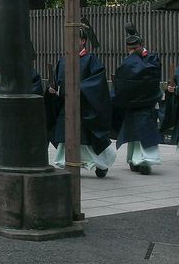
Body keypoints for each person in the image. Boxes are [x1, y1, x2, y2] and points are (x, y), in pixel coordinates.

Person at [45, 25, 115, 177]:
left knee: (86, 141)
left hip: (84, 108)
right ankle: (67, 163)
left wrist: (77, 89)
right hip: (65, 108)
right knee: (65, 139)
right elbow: (57, 82)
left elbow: (97, 84)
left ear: (83, 41)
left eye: (75, 39)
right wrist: (52, 90)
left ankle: (100, 165)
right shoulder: (63, 60)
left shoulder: (91, 60)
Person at [112, 22, 161, 174]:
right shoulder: (129, 60)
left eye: (135, 48)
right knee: (132, 132)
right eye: (130, 49)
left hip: (146, 102)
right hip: (132, 103)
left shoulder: (152, 59)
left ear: (142, 46)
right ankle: (133, 159)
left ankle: (146, 161)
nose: (132, 51)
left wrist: (132, 61)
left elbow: (150, 76)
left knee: (145, 130)